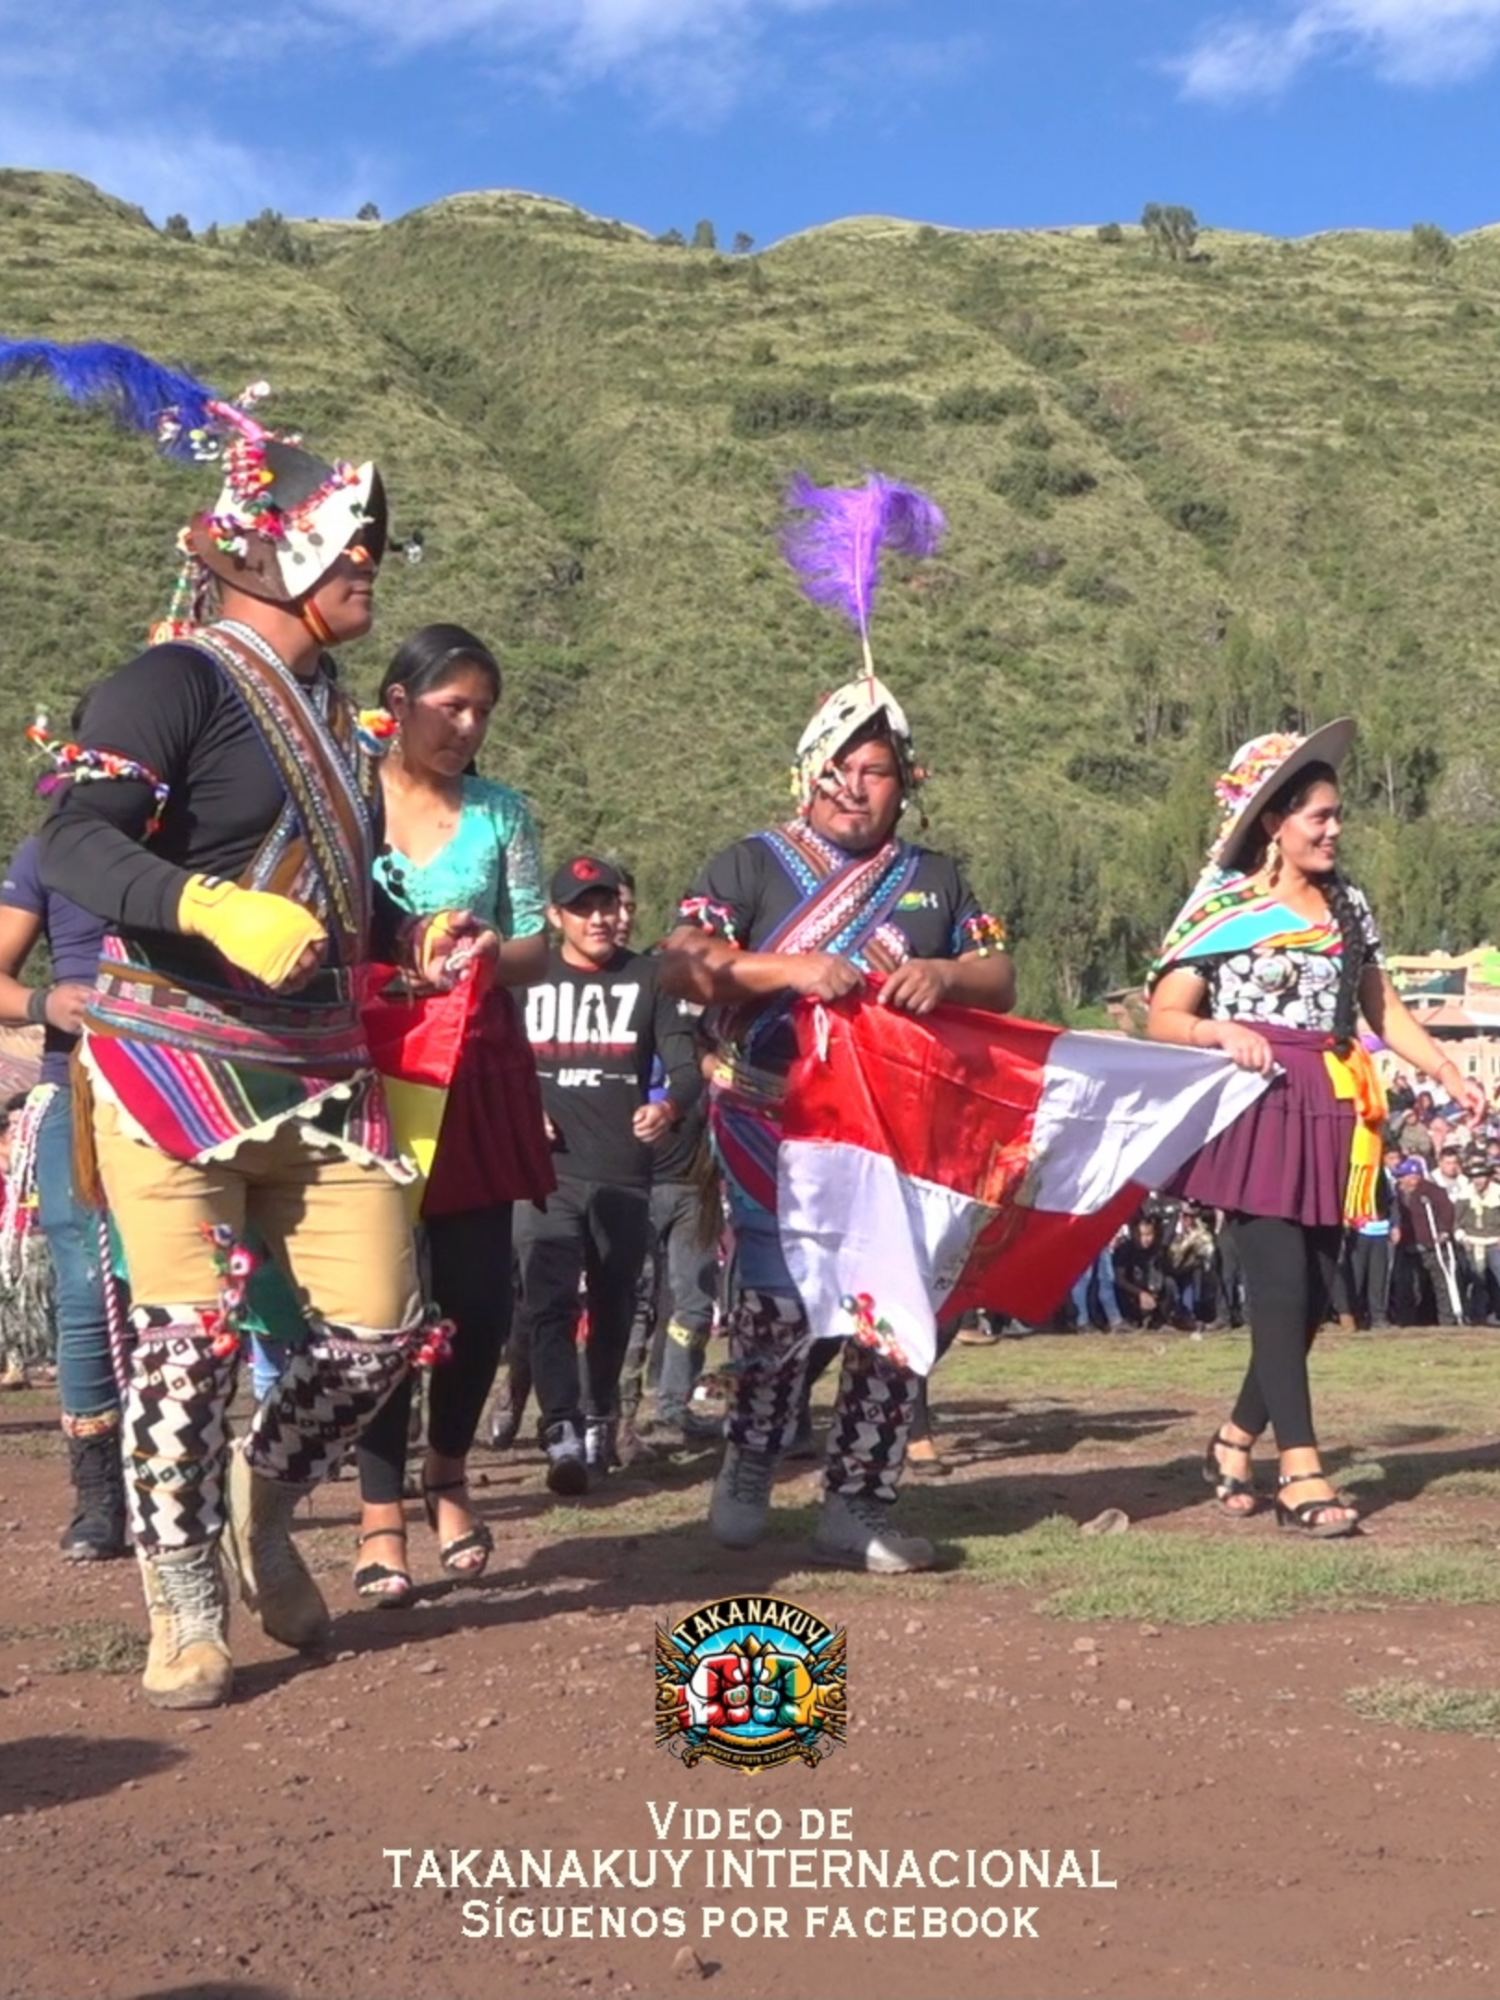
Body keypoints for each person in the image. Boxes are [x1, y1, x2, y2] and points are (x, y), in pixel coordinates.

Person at [15, 342, 486, 1706]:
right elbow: (73, 848)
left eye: (376, 546)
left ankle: (262, 1506)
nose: (372, 563)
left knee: (382, 1330)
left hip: (321, 1072)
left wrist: (406, 937)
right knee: (180, 1337)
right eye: (352, 540)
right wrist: (206, 910)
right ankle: (181, 1608)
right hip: (167, 1064)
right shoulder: (165, 685)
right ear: (263, 547)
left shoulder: (336, 715)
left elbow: (329, 890)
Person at [661, 482, 1014, 1573]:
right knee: (771, 1309)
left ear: (907, 783)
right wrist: (789, 967)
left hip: (897, 1128)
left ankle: (861, 1496)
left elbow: (1000, 970)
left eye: (882, 771)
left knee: (891, 1313)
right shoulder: (750, 863)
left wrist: (946, 973)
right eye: (846, 768)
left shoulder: (934, 878)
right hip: (770, 1117)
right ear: (810, 768)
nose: (862, 786)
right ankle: (753, 1460)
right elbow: (683, 959)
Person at [1148, 721, 1485, 1536]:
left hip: (1338, 1105)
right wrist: (1216, 1032)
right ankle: (1301, 1468)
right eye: (1318, 816)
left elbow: (1382, 1007)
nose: (1334, 829)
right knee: (1279, 1287)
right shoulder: (1222, 907)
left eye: (1337, 815)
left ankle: (1233, 1441)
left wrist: (1443, 1070)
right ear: (1273, 821)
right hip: (1256, 1106)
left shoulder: (1349, 904)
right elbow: (1164, 1014)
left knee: (1306, 1306)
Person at [353, 624, 551, 1603]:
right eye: (451, 706)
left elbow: (537, 946)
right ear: (397, 701)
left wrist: (483, 950)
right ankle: (379, 1509)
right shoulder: (343, 798)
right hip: (365, 1068)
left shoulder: (505, 812)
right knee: (380, 1294)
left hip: (473, 1067)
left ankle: (450, 1470)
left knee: (477, 1296)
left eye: (483, 710)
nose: (468, 725)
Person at [516, 857, 701, 1492]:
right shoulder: (526, 975)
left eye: (605, 906)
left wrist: (668, 1106)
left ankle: (601, 1417)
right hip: (545, 1176)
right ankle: (560, 1428)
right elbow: (487, 1062)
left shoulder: (650, 979)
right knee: (549, 1301)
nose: (597, 918)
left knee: (617, 1300)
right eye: (581, 907)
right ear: (554, 916)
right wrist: (522, 1110)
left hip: (624, 1173)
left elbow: (687, 1068)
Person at [0, 721, 129, 1558]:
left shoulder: (200, 841)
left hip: (192, 1085)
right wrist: (49, 1004)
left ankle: (183, 1475)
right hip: (74, 1086)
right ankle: (97, 1495)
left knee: (185, 1284)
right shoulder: (44, 853)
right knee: (85, 1289)